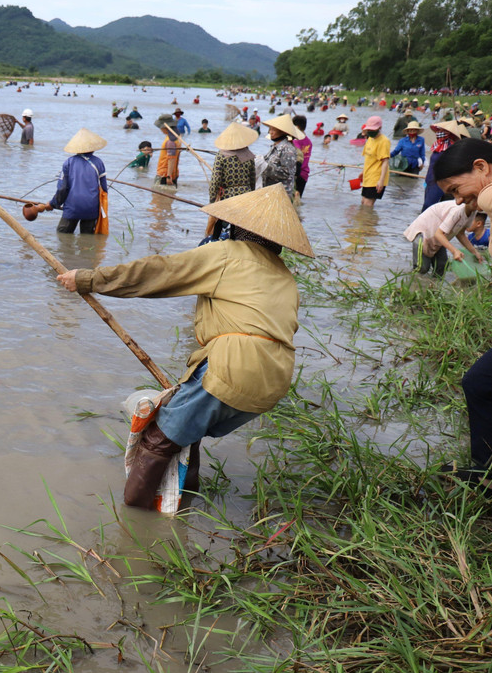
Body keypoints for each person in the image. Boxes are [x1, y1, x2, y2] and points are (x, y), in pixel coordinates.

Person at [55, 185, 312, 507]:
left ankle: (135, 525)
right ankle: (184, 508)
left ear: (237, 228)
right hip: (275, 377)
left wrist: (88, 280)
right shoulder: (285, 275)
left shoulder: (227, 253)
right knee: (186, 435)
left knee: (157, 441)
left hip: (234, 366)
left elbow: (159, 271)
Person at [433, 139, 492, 499]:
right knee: (483, 382)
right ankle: (489, 477)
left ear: (482, 167)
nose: (456, 200)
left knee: (482, 381)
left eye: (457, 189)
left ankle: (489, 477)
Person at [34, 129, 108, 234]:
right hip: (91, 208)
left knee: (62, 235)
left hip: (72, 208)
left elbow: (62, 189)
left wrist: (53, 204)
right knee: (87, 242)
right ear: (93, 148)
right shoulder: (99, 163)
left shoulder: (68, 163)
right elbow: (104, 189)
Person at [204, 122, 258, 240]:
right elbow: (252, 179)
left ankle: (214, 241)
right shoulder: (248, 155)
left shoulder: (222, 155)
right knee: (238, 225)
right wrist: (251, 194)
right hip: (245, 194)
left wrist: (212, 201)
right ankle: (235, 243)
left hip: (228, 195)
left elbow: (215, 180)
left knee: (219, 219)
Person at [403, 200, 482, 275]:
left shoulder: (472, 212)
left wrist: (474, 252)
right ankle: (410, 284)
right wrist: (454, 251)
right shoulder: (457, 211)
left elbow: (460, 233)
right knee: (422, 268)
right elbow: (439, 234)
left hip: (439, 236)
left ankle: (432, 286)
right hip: (424, 233)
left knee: (442, 266)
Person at [423, 120, 468, 210]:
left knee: (431, 207)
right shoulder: (437, 145)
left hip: (442, 182)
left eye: (442, 131)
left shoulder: (452, 147)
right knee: (428, 206)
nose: (439, 133)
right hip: (431, 180)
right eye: (439, 131)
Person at [261, 114, 303, 199]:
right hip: (270, 192)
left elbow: (286, 173)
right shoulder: (274, 147)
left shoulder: (288, 149)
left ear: (282, 131)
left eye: (274, 130)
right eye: (270, 129)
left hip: (280, 195)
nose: (270, 132)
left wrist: (265, 167)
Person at [359, 116, 391, 207]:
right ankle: (368, 221)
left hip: (376, 178)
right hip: (368, 176)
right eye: (369, 130)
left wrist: (381, 180)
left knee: (367, 204)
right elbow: (368, 159)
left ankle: (368, 221)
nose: (371, 132)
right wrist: (363, 172)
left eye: (373, 130)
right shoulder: (370, 139)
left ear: (379, 128)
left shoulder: (384, 141)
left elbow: (385, 161)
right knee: (363, 202)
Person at [155, 114, 180, 187]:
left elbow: (171, 159)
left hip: (165, 174)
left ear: (165, 127)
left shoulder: (170, 141)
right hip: (172, 173)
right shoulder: (176, 138)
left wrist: (169, 176)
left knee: (159, 197)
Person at [291, 115, 313, 199]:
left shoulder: (295, 141)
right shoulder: (309, 142)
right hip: (304, 174)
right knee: (298, 199)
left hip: (295, 173)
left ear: (296, 127)